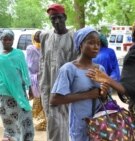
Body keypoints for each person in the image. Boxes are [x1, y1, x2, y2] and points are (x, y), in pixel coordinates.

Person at [50, 27, 108, 141]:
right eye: (91, 43)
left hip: (99, 123)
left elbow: (104, 98)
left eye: (98, 43)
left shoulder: (100, 69)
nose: (96, 47)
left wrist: (104, 93)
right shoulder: (69, 69)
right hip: (79, 125)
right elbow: (54, 99)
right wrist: (88, 95)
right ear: (80, 45)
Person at [39, 3, 78, 141]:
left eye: (59, 18)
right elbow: (43, 63)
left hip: (67, 90)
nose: (56, 21)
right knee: (53, 122)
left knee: (66, 123)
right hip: (48, 87)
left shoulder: (74, 37)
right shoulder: (45, 37)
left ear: (65, 17)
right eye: (53, 19)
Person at [0, 29, 34, 140]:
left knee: (24, 118)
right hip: (5, 95)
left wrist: (30, 87)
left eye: (10, 39)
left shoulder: (18, 54)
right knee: (8, 119)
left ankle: (26, 138)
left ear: (13, 40)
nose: (7, 41)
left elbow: (25, 71)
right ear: (1, 40)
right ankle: (12, 137)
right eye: (5, 39)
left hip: (19, 93)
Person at [26, 30, 46, 131]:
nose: (38, 39)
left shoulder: (46, 48)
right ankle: (40, 123)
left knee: (45, 102)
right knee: (38, 102)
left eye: (40, 37)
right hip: (36, 80)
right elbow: (29, 67)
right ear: (34, 38)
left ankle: (43, 123)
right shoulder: (31, 49)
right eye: (37, 37)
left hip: (46, 79)